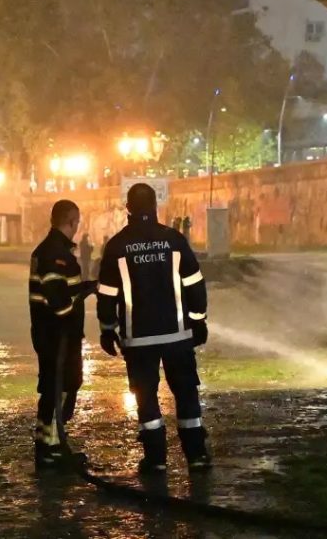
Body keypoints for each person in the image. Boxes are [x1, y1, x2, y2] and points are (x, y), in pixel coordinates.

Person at [97, 183, 211, 474]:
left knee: (145, 399)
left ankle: (156, 459)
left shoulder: (117, 246)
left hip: (138, 341)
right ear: (155, 206)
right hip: (178, 337)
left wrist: (108, 329)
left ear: (128, 209)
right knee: (186, 394)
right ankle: (196, 456)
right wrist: (198, 320)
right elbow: (195, 284)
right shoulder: (174, 240)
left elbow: (107, 294)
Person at [29, 200, 97, 468]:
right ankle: (53, 449)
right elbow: (59, 299)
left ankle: (47, 444)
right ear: (71, 221)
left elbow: (65, 289)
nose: (78, 227)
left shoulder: (50, 250)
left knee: (54, 387)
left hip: (52, 334)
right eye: (76, 222)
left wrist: (88, 287)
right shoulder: (55, 254)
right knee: (61, 387)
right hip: (58, 335)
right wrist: (78, 302)